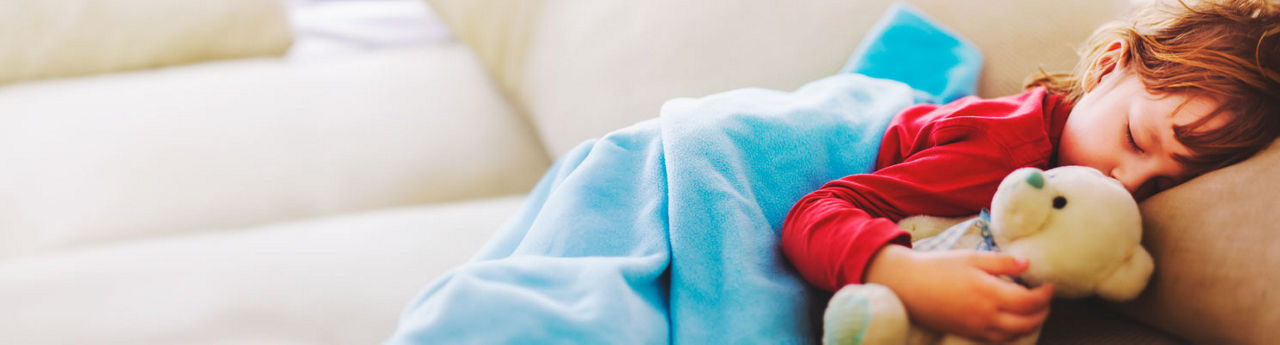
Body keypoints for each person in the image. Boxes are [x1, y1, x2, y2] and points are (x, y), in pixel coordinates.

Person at [781, 0, 1280, 342]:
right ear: (1109, 66)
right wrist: (901, 273)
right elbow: (814, 212)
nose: (1126, 182)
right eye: (1135, 138)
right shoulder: (1000, 152)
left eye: (1162, 185)